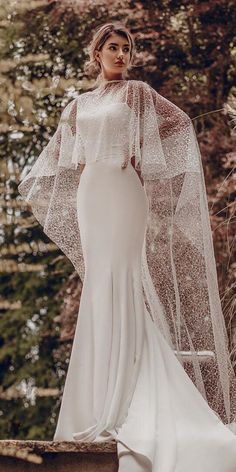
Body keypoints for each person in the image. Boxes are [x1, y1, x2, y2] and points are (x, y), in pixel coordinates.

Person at [18, 22, 236, 471]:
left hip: (123, 188)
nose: (121, 55)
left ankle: (127, 396)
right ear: (96, 53)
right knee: (99, 284)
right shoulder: (77, 106)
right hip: (91, 194)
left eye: (126, 49)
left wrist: (141, 155)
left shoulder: (135, 93)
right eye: (113, 48)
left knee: (122, 278)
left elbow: (176, 123)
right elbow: (65, 160)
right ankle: (97, 401)